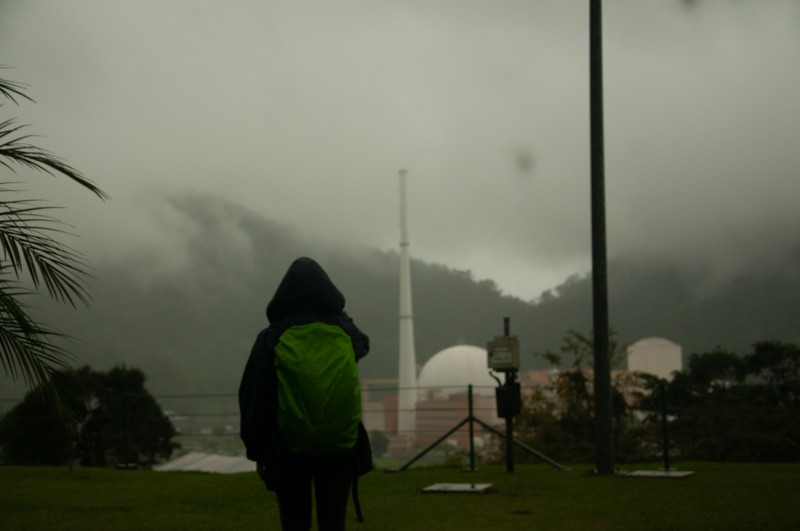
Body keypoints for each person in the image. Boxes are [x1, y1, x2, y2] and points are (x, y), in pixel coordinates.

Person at [239, 257, 372, 531]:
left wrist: (258, 452)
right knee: (333, 522)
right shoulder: (344, 332)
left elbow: (255, 398)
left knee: (294, 522)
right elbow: (363, 346)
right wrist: (339, 315)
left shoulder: (271, 338)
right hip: (339, 447)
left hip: (286, 447)